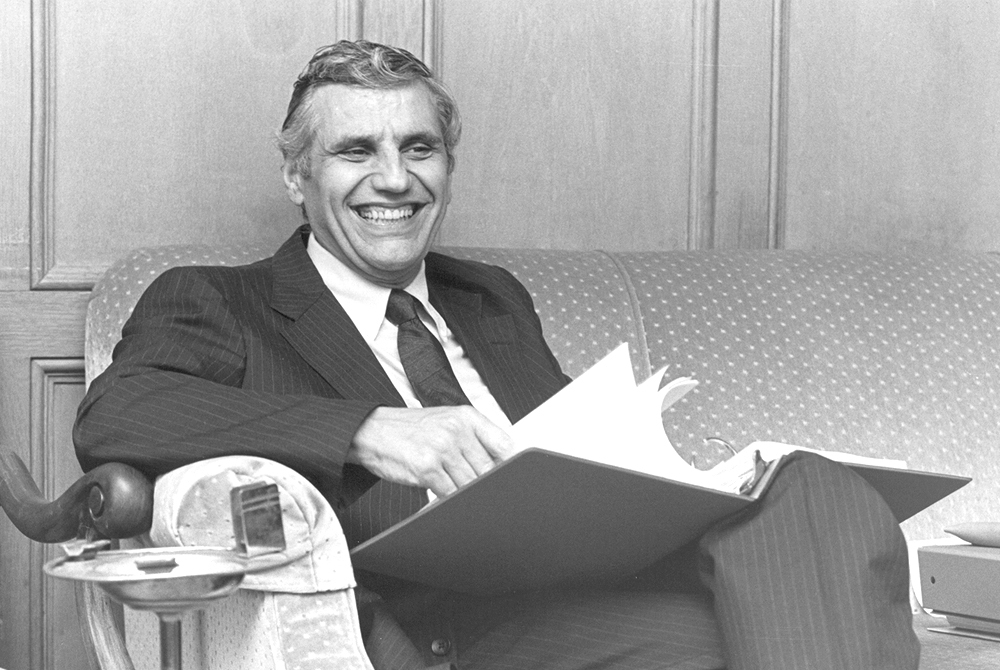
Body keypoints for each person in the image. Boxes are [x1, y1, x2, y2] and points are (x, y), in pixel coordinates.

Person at [74, 40, 919, 670]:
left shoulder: (489, 298)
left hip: (584, 588)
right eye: (356, 151)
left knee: (808, 486)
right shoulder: (220, 300)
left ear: (447, 163)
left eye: (419, 148)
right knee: (726, 639)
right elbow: (117, 413)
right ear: (298, 177)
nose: (395, 179)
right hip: (444, 623)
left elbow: (563, 462)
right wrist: (368, 429)